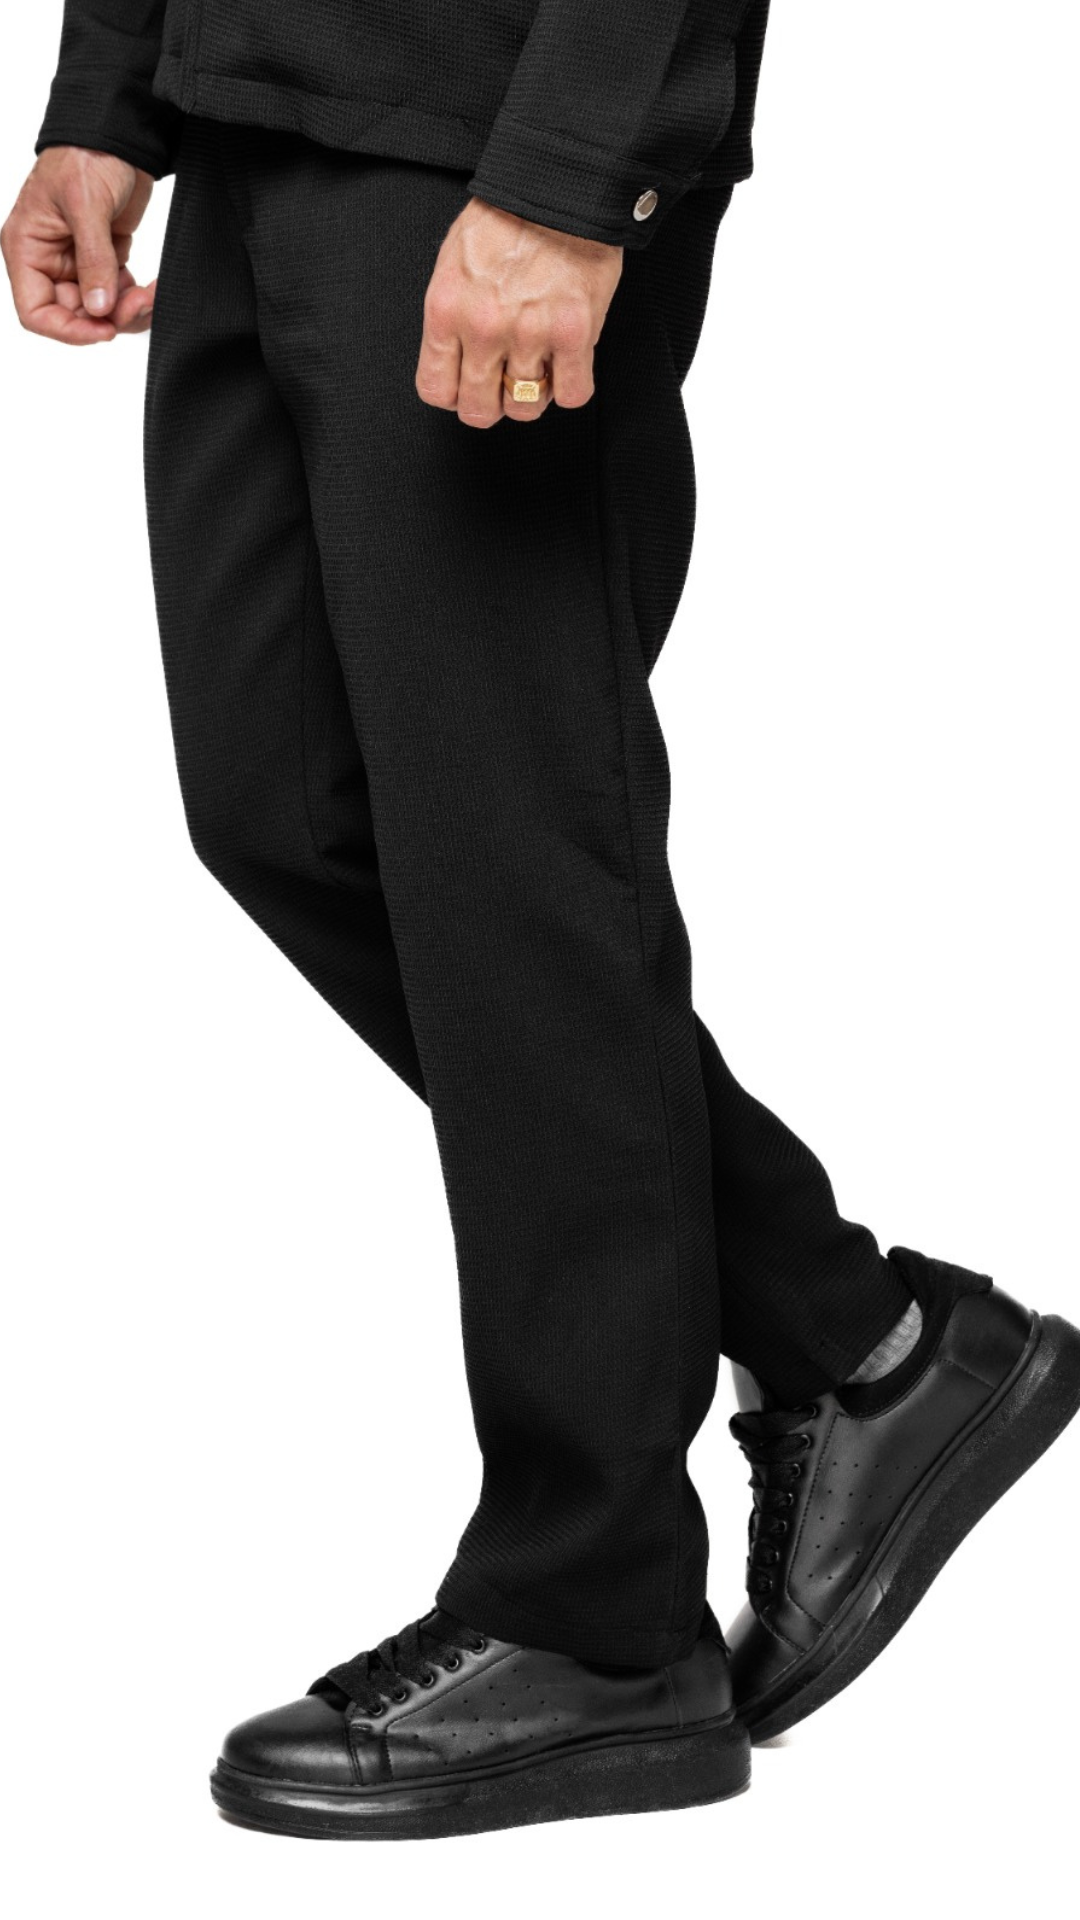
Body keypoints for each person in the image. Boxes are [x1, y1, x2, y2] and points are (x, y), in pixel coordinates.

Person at [4, 1, 1077, 1844]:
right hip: (249, 96)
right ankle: (861, 1341)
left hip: (485, 142)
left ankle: (598, 1614)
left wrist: (577, 170)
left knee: (508, 851)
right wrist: (110, 90)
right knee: (290, 811)